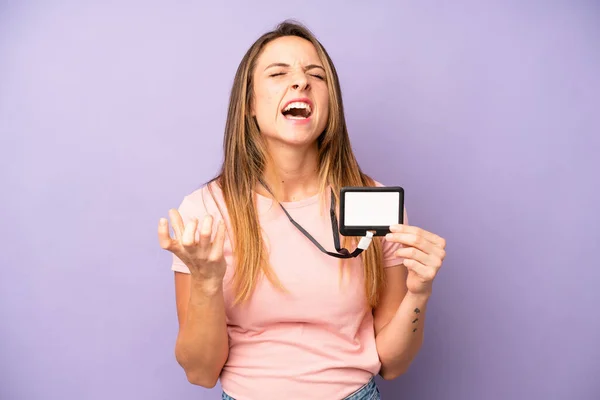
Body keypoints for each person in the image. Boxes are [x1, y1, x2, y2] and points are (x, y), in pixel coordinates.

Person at [158, 20, 447, 400]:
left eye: (316, 75)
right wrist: (207, 282)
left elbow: (393, 363)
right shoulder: (206, 212)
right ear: (249, 105)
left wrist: (419, 293)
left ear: (331, 103)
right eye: (279, 73)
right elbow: (200, 372)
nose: (301, 83)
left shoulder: (371, 201)